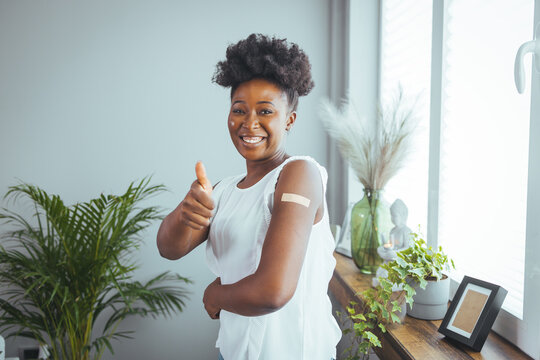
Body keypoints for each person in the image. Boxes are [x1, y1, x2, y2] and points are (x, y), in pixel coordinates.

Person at [156, 34, 341, 360]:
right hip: (234, 352)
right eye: (239, 109)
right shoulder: (225, 190)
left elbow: (273, 290)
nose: (249, 123)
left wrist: (215, 296)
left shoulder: (300, 174)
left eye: (265, 111)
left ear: (290, 119)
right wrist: (186, 213)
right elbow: (169, 248)